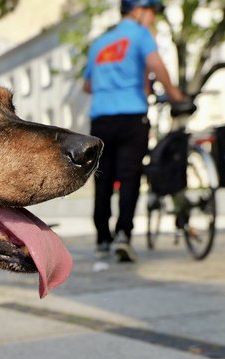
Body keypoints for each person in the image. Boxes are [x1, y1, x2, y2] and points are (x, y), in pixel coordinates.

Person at [83, 0, 185, 263]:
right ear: (139, 11)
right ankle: (123, 237)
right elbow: (157, 66)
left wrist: (111, 85)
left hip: (101, 119)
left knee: (102, 180)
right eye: (151, 13)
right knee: (129, 177)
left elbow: (87, 85)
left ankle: (102, 239)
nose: (152, 19)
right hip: (131, 117)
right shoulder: (141, 35)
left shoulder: (99, 44)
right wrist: (175, 96)